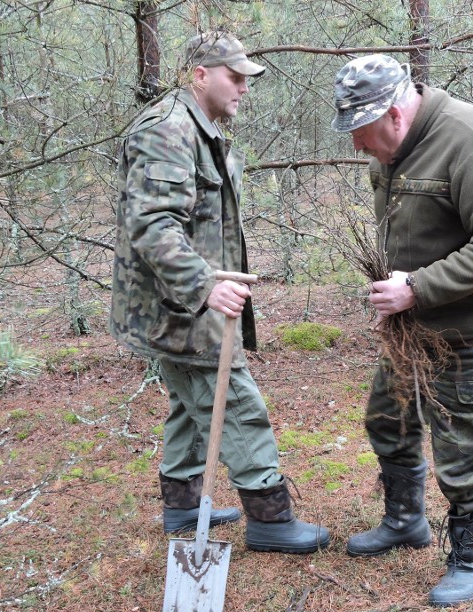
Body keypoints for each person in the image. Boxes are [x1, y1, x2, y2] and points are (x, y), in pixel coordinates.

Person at [109, 32, 329, 554]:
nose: (244, 88)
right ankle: (271, 519)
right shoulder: (168, 131)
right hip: (176, 305)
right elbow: (154, 226)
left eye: (247, 78)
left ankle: (183, 507)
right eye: (235, 77)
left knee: (192, 403)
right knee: (232, 400)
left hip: (179, 302)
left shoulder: (198, 128)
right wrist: (204, 284)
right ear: (200, 75)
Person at [330, 54, 473, 605]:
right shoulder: (393, 146)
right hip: (411, 326)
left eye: (361, 133)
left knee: (464, 450)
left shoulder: (472, 141)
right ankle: (404, 520)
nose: (356, 147)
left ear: (395, 114)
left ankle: (470, 560)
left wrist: (416, 286)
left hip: (471, 329)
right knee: (387, 421)